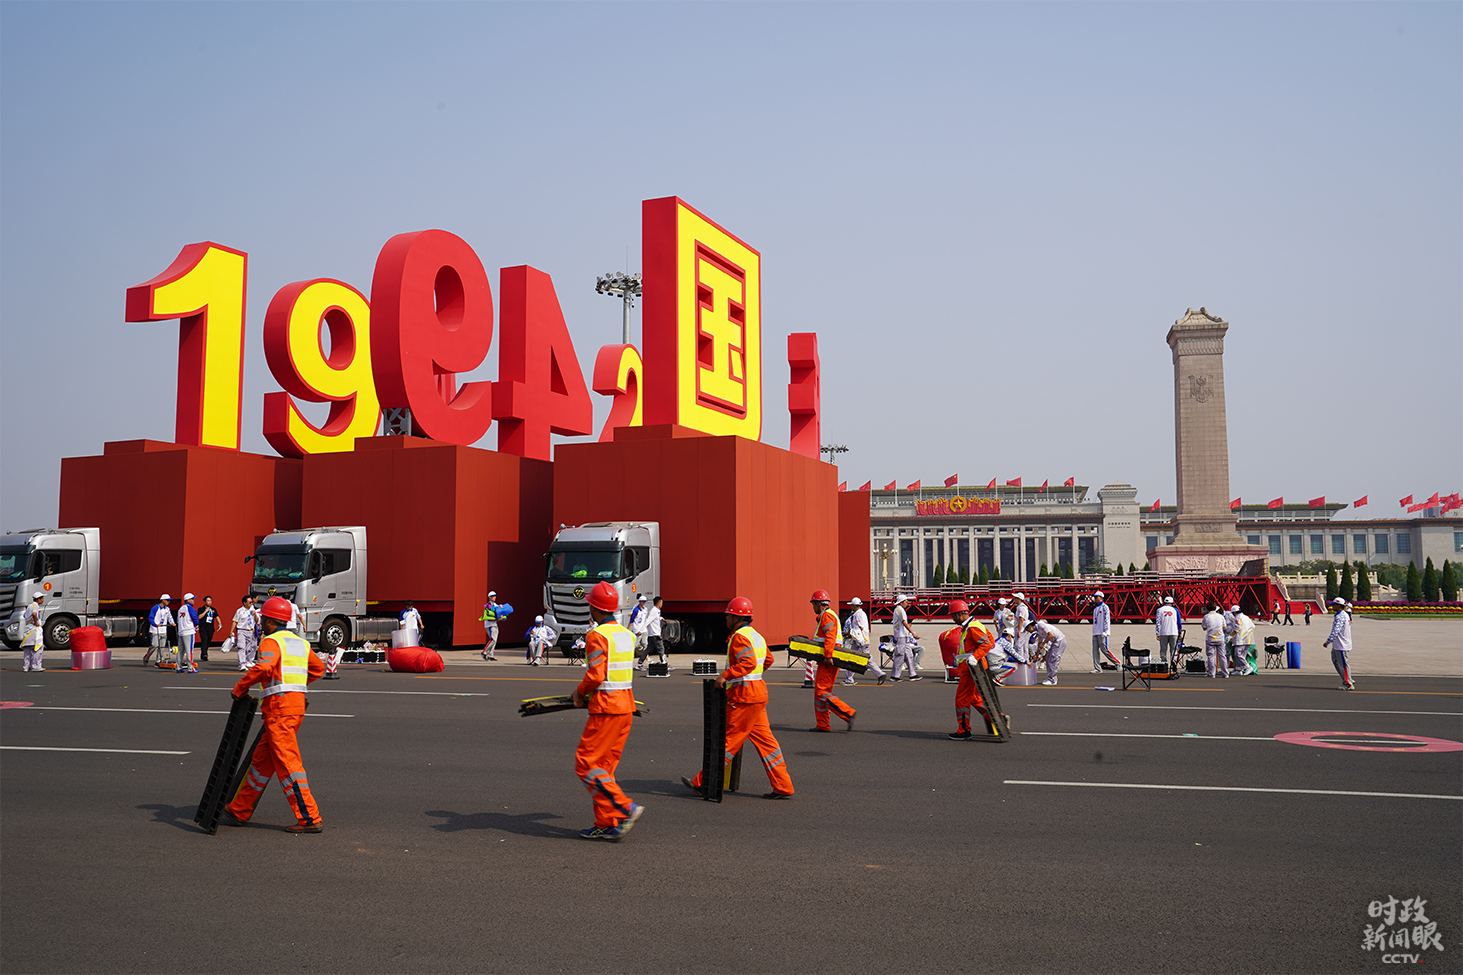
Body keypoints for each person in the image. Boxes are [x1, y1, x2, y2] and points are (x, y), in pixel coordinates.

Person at [222, 596, 326, 832]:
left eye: (263, 619)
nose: (261, 623)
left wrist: (240, 688)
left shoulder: (271, 642)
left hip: (279, 709)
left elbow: (264, 666)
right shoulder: (301, 643)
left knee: (288, 764)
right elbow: (318, 668)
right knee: (262, 762)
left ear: (270, 621)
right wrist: (295, 685)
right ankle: (239, 808)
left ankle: (309, 817)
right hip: (295, 707)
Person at [680, 596, 794, 800]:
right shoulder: (756, 636)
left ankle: (703, 783)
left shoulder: (739, 637)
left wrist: (725, 676)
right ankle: (783, 786)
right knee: (767, 744)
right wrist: (753, 676)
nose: (725, 619)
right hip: (758, 694)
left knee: (728, 743)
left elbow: (748, 662)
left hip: (744, 698)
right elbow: (767, 660)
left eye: (728, 616)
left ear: (736, 618)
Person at [571, 581, 644, 841]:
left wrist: (579, 692)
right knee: (604, 769)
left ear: (594, 607)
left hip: (606, 708)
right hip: (626, 707)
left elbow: (596, 674)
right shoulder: (626, 635)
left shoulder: (597, 636)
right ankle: (606, 822)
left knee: (586, 763)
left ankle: (625, 808)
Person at [946, 600, 996, 740]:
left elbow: (986, 644)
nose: (952, 619)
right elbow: (991, 641)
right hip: (974, 668)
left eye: (953, 616)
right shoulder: (975, 625)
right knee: (974, 698)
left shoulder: (972, 628)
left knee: (961, 699)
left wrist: (975, 656)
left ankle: (964, 731)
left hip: (972, 669)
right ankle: (998, 718)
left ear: (960, 615)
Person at [809, 590, 856, 732]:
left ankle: (848, 713)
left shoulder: (826, 616)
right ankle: (823, 725)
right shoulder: (829, 615)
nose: (813, 608)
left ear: (819, 604)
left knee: (821, 693)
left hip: (828, 660)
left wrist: (828, 655)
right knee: (822, 693)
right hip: (828, 659)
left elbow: (830, 636)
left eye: (813, 604)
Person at [843, 596, 885, 685]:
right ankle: (879, 674)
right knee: (865, 659)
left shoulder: (857, 615)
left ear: (854, 605)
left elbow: (859, 628)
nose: (851, 607)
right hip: (863, 641)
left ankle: (849, 679)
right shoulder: (862, 613)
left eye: (852, 605)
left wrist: (848, 634)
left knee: (855, 659)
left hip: (859, 642)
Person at [1322, 597, 1355, 690]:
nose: (1332, 606)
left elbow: (1336, 631)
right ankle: (1347, 678)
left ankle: (1348, 683)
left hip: (1341, 645)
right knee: (1336, 661)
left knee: (1343, 664)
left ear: (1339, 606)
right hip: (1338, 644)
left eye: (1334, 605)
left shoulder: (1340, 616)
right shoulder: (1343, 614)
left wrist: (1328, 641)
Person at [888, 593, 921, 681]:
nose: (907, 603)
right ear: (901, 602)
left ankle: (912, 674)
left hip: (904, 636)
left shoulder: (900, 609)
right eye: (906, 602)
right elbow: (904, 623)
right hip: (900, 636)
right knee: (900, 655)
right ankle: (895, 676)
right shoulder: (900, 610)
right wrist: (913, 633)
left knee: (909, 655)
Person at [1026, 619, 1067, 685]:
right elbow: (1039, 645)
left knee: (1053, 660)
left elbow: (1051, 635)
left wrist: (1044, 643)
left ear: (1030, 627)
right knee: (1047, 659)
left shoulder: (1040, 625)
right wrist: (1036, 657)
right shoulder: (1038, 631)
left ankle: (1052, 680)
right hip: (1055, 642)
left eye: (1027, 630)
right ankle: (1050, 678)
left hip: (1059, 641)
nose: (1028, 632)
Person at [144, 594, 173, 668]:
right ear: (163, 600)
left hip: (163, 630)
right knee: (154, 645)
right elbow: (150, 618)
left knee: (162, 646)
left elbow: (170, 617)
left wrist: (172, 623)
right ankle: (146, 657)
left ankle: (158, 661)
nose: (169, 602)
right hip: (155, 630)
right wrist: (155, 624)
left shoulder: (167, 609)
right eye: (167, 600)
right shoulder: (155, 608)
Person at [231, 595, 258, 671]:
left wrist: (255, 614)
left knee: (249, 648)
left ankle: (247, 661)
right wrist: (231, 632)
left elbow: (257, 621)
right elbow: (234, 621)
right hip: (241, 630)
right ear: (244, 603)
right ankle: (242, 664)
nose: (251, 603)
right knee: (241, 647)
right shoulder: (240, 611)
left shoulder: (252, 610)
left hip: (250, 631)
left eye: (251, 602)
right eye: (249, 602)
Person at [176, 592, 200, 674]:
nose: (193, 600)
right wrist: (196, 625)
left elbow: (178, 620)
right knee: (189, 650)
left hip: (181, 631)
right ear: (188, 600)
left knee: (180, 650)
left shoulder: (180, 609)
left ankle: (178, 666)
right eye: (192, 599)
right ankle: (190, 667)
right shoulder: (191, 609)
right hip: (189, 631)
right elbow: (195, 619)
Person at [1202, 602, 1228, 678]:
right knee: (1222, 656)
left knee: (1211, 656)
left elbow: (1204, 627)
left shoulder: (1206, 616)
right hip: (1220, 638)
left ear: (1207, 609)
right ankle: (1225, 673)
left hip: (1210, 638)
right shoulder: (1221, 616)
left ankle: (1212, 673)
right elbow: (1225, 627)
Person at [20, 592, 44, 672]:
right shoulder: (35, 605)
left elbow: (25, 615)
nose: (43, 600)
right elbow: (34, 614)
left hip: (28, 629)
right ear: (38, 599)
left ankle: (26, 667)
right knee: (38, 647)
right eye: (42, 599)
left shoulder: (29, 606)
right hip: (34, 629)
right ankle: (36, 666)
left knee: (27, 649)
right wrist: (36, 622)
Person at [1154, 596, 1180, 667]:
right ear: (1171, 603)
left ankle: (1164, 664)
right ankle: (1173, 664)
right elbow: (1179, 622)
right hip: (1174, 632)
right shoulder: (1175, 610)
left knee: (1163, 650)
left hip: (1163, 632)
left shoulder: (1159, 610)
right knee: (1174, 650)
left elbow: (1158, 623)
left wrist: (1157, 633)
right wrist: (1180, 632)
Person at [644, 596, 668, 670]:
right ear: (658, 603)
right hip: (655, 633)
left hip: (653, 633)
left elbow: (655, 618)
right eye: (661, 602)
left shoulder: (657, 610)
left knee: (648, 649)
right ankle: (664, 662)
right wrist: (642, 630)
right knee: (661, 648)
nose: (662, 604)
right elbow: (648, 620)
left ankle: (639, 663)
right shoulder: (654, 610)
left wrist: (660, 618)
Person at [1231, 606, 1255, 676]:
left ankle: (1248, 667)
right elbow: (1253, 626)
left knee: (1237, 654)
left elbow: (1237, 628)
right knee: (1242, 655)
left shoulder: (1238, 617)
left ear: (1234, 612)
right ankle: (1239, 669)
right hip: (1249, 639)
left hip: (1241, 639)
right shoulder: (1246, 617)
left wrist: (1230, 636)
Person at [1090, 591, 1111, 673]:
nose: (1095, 598)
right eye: (1094, 597)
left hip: (1102, 632)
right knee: (1095, 651)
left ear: (1101, 597)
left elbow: (1106, 619)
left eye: (1096, 597)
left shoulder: (1105, 607)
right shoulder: (1095, 608)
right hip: (1095, 632)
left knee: (1104, 650)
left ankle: (1117, 662)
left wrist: (1106, 631)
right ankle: (1098, 668)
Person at [479, 592, 502, 660]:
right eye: (493, 596)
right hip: (490, 625)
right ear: (489, 597)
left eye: (495, 596)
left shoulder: (495, 604)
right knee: (493, 640)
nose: (495, 597)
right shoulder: (488, 606)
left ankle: (491, 655)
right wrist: (497, 618)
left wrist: (501, 607)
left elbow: (498, 611)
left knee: (495, 640)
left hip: (494, 624)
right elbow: (488, 617)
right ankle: (484, 652)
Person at [629, 595, 650, 669]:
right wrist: (628, 629)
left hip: (644, 630)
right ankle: (629, 659)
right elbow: (631, 620)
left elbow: (645, 619)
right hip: (637, 630)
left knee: (645, 645)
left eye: (645, 601)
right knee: (634, 645)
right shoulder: (636, 610)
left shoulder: (645, 610)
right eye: (642, 601)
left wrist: (646, 627)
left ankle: (647, 658)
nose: (644, 603)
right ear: (639, 601)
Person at [197, 596, 217, 663]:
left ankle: (203, 653)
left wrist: (219, 623)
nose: (209, 602)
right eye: (208, 601)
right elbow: (199, 617)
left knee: (208, 641)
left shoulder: (213, 609)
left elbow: (216, 616)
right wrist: (206, 611)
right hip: (203, 628)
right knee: (204, 641)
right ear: (205, 602)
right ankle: (205, 654)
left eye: (210, 601)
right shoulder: (201, 609)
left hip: (210, 628)